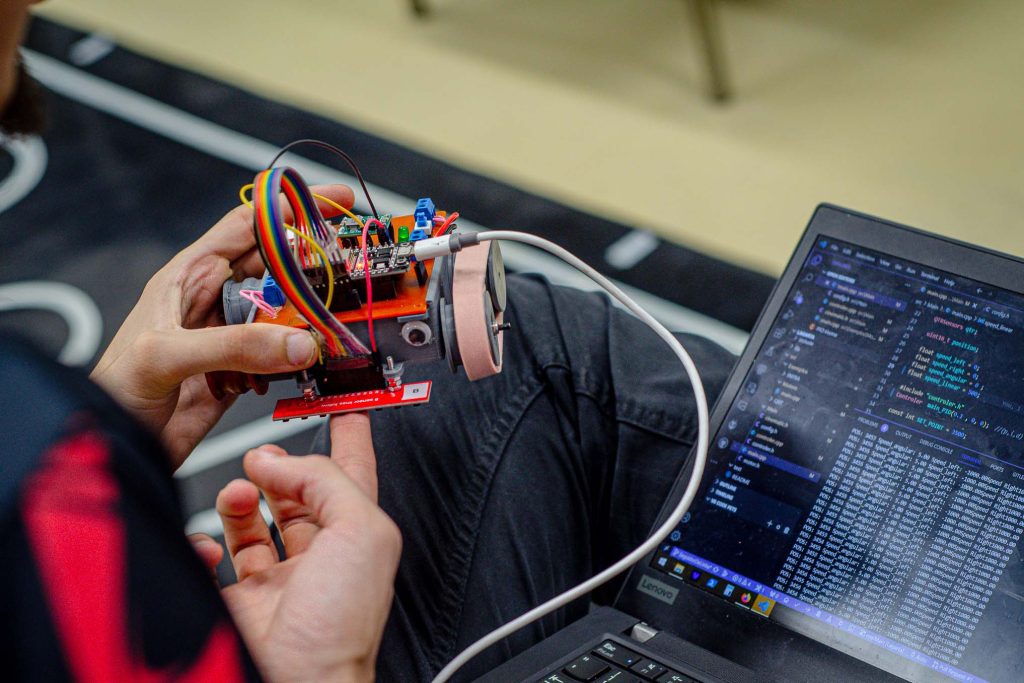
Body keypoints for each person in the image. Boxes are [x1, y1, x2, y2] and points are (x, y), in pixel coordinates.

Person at [0, 3, 737, 681]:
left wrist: (112, 423)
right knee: (567, 362)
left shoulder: (41, 439)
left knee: (528, 339)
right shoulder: (39, 469)